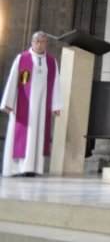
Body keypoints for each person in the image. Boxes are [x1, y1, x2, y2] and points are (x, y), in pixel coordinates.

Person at [1, 32, 63, 177]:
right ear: (32, 42)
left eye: (43, 42)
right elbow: (13, 81)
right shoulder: (22, 59)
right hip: (23, 106)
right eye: (37, 41)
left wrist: (56, 106)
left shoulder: (51, 62)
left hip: (42, 108)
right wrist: (7, 103)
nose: (40, 44)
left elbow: (56, 85)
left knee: (37, 137)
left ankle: (32, 168)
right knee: (20, 136)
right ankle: (16, 169)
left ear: (46, 43)